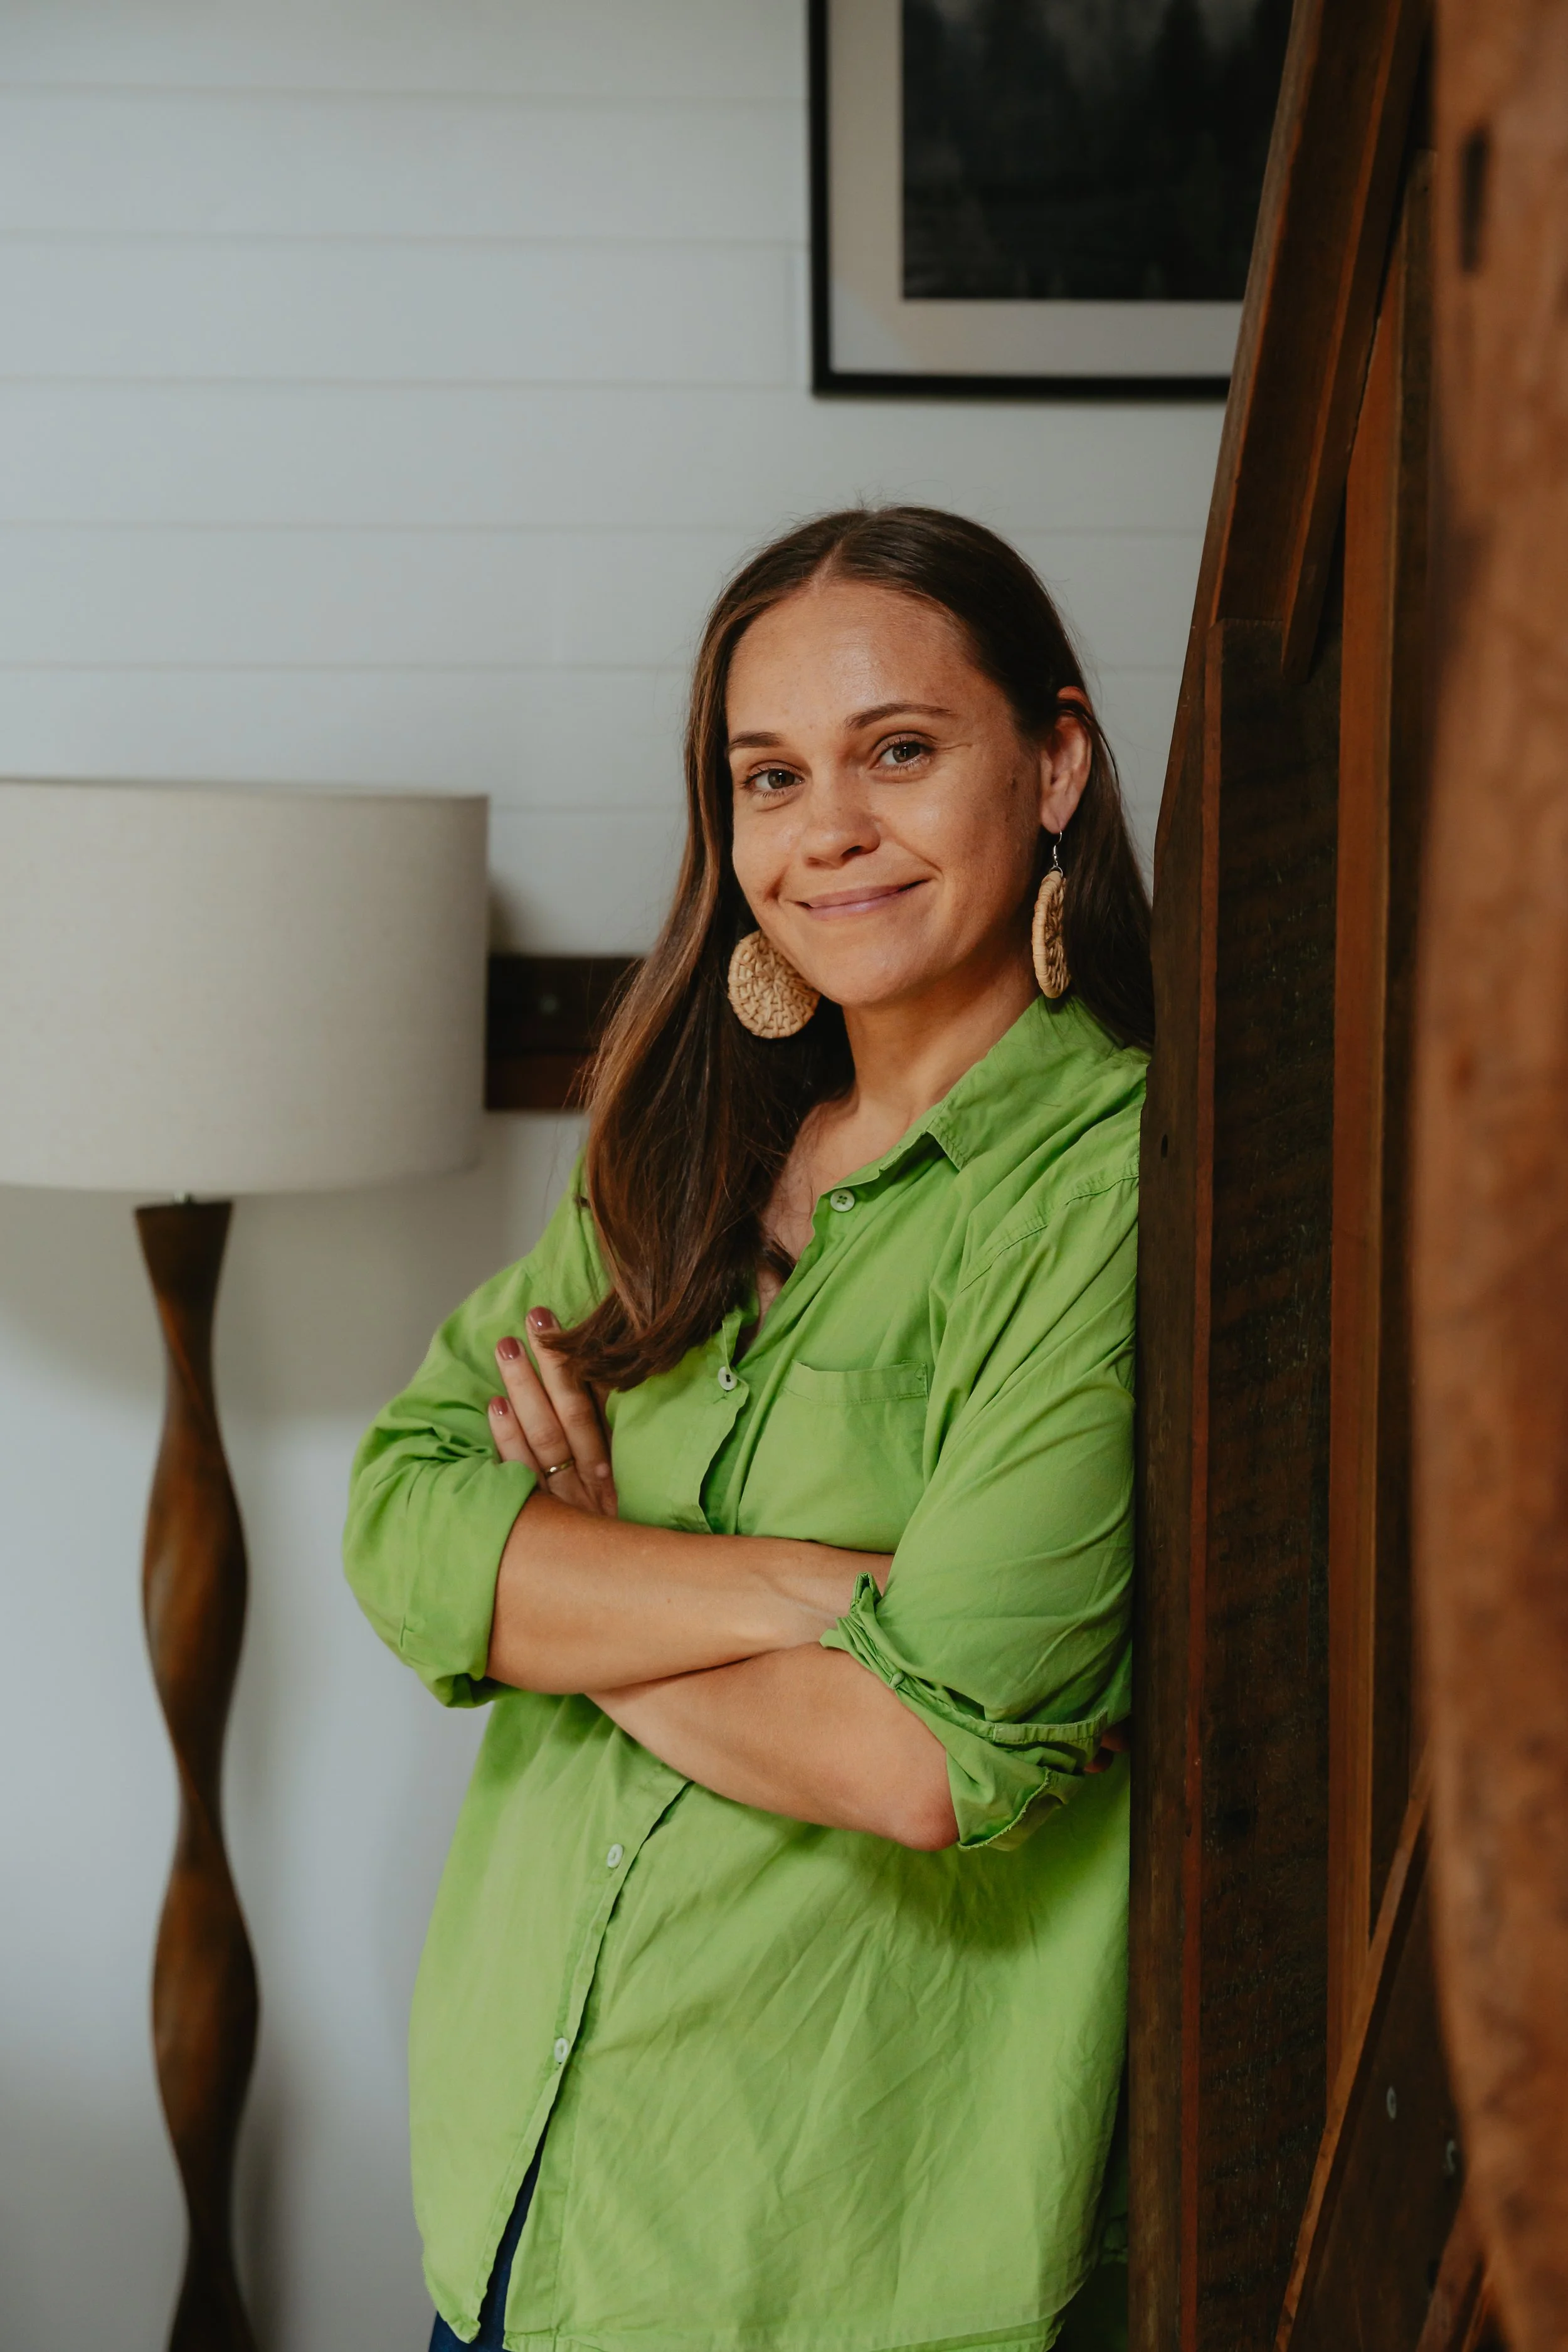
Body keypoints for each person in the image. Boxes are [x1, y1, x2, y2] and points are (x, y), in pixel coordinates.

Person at [344, 505, 1151, 2351]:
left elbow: (922, 1759)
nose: (825, 831)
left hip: (811, 2246)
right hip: (517, 2194)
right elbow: (403, 1518)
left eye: (898, 751)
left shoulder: (1107, 1186)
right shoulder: (680, 1144)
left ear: (1054, 765)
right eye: (769, 776)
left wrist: (575, 1586)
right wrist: (808, 1590)